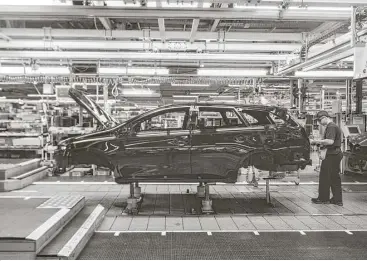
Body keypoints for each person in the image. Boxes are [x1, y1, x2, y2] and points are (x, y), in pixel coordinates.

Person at [310, 110, 343, 206]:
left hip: (332, 155)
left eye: (319, 120)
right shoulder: (332, 126)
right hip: (335, 154)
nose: (319, 123)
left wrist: (316, 141)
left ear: (325, 117)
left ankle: (323, 198)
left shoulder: (331, 127)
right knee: (334, 177)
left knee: (325, 177)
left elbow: (330, 141)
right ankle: (337, 200)